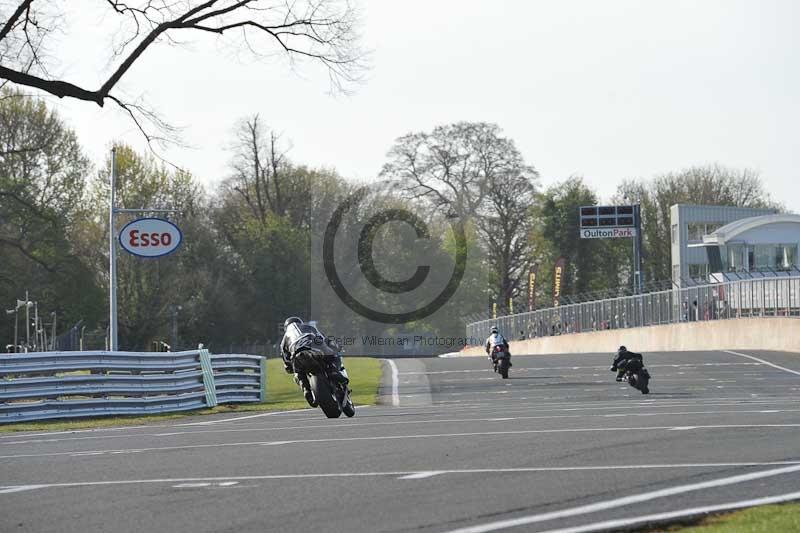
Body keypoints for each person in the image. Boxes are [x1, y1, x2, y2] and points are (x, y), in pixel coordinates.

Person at [280, 317, 348, 406]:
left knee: (298, 374)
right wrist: (336, 347)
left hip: (296, 355)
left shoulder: (283, 341)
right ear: (300, 322)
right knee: (333, 354)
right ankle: (334, 371)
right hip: (314, 345)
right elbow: (323, 338)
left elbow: (286, 362)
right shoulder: (307, 327)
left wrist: (290, 368)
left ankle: (306, 390)